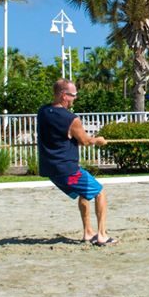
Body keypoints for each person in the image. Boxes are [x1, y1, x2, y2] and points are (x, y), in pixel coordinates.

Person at [37, 79, 116, 245]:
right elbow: (85, 141)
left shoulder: (43, 112)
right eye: (73, 95)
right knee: (99, 192)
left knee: (84, 193)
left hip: (51, 171)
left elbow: (66, 136)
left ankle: (88, 232)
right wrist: (98, 140)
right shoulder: (71, 119)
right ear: (64, 96)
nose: (75, 98)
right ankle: (102, 235)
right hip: (69, 171)